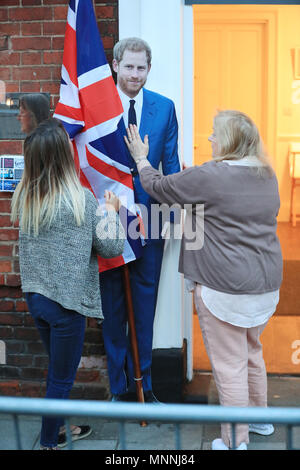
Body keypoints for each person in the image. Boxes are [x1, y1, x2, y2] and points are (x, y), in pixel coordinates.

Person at [124, 110, 283, 450]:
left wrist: (141, 159)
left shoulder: (212, 175)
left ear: (229, 141)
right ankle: (260, 419)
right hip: (265, 285)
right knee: (251, 352)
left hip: (225, 289)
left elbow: (159, 187)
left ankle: (234, 441)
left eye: (215, 133)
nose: (210, 138)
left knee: (229, 367)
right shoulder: (266, 173)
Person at [11, 118, 125, 450]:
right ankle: (49, 442)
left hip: (37, 299)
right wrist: (109, 211)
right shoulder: (82, 201)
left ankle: (60, 425)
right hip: (65, 306)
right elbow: (111, 247)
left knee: (56, 371)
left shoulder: (27, 198)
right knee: (61, 380)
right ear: (64, 156)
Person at [99, 37, 181, 402]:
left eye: (141, 67)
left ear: (149, 69)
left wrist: (176, 216)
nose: (135, 74)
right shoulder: (97, 107)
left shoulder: (164, 108)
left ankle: (144, 386)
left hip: (150, 221)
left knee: (144, 307)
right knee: (113, 306)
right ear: (115, 65)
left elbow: (172, 166)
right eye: (129, 66)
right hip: (109, 220)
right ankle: (118, 391)